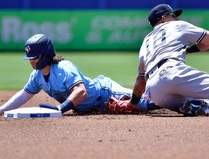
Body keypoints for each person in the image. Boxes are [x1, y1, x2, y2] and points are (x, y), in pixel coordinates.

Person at [0, 34, 162, 115]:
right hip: (95, 107)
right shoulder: (37, 76)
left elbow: (81, 91)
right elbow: (23, 95)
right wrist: (1, 110)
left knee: (145, 103)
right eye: (29, 58)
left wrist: (60, 109)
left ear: (46, 54)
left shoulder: (64, 68)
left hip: (105, 93)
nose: (32, 61)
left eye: (35, 57)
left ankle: (182, 99)